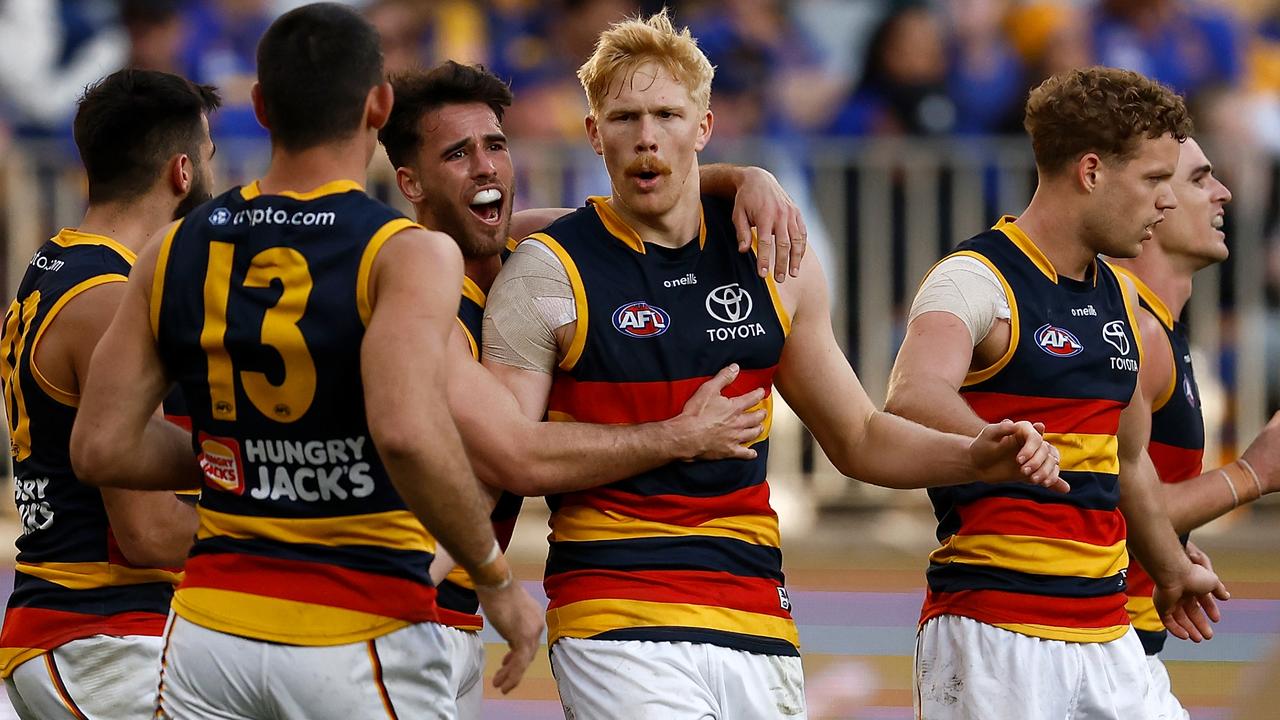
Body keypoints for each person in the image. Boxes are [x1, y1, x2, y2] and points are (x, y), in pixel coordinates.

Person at [481, 10, 1065, 719]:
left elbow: (857, 436)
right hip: (617, 614)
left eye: (667, 114)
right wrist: (674, 436)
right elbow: (510, 454)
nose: (645, 137)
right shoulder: (548, 271)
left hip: (759, 615)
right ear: (594, 133)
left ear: (703, 127)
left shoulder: (775, 260)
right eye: (624, 116)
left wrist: (975, 455)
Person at [69, 4, 543, 718]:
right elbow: (407, 432)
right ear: (379, 106)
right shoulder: (405, 253)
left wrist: (240, 456)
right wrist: (496, 577)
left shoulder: (174, 249)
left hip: (210, 634)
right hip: (362, 627)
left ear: (260, 107)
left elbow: (100, 446)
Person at [377, 59, 805, 717]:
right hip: (398, 607)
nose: (486, 167)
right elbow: (507, 460)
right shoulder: (405, 291)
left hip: (453, 620)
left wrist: (749, 178)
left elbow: (638, 206)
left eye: (496, 145)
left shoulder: (524, 255)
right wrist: (676, 437)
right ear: (411, 182)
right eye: (458, 155)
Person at [886, 67, 1229, 719]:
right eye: (1154, 180)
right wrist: (992, 440)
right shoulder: (976, 278)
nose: (1166, 201)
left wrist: (1172, 567)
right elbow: (912, 393)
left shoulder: (1124, 299)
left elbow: (1127, 467)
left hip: (1109, 635)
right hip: (995, 632)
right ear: (1092, 171)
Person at [0, 68, 217, 720]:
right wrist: (283, 534)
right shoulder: (112, 301)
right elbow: (149, 532)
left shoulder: (63, 263)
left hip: (92, 628)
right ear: (182, 171)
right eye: (208, 157)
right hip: (101, 630)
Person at [1109, 136, 1280, 718]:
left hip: (1121, 651)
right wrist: (1251, 475)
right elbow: (1105, 505)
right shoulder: (1135, 330)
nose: (1223, 192)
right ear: (1152, 203)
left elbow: (1131, 494)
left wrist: (1174, 548)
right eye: (1200, 178)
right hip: (1091, 649)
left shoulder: (1153, 325)